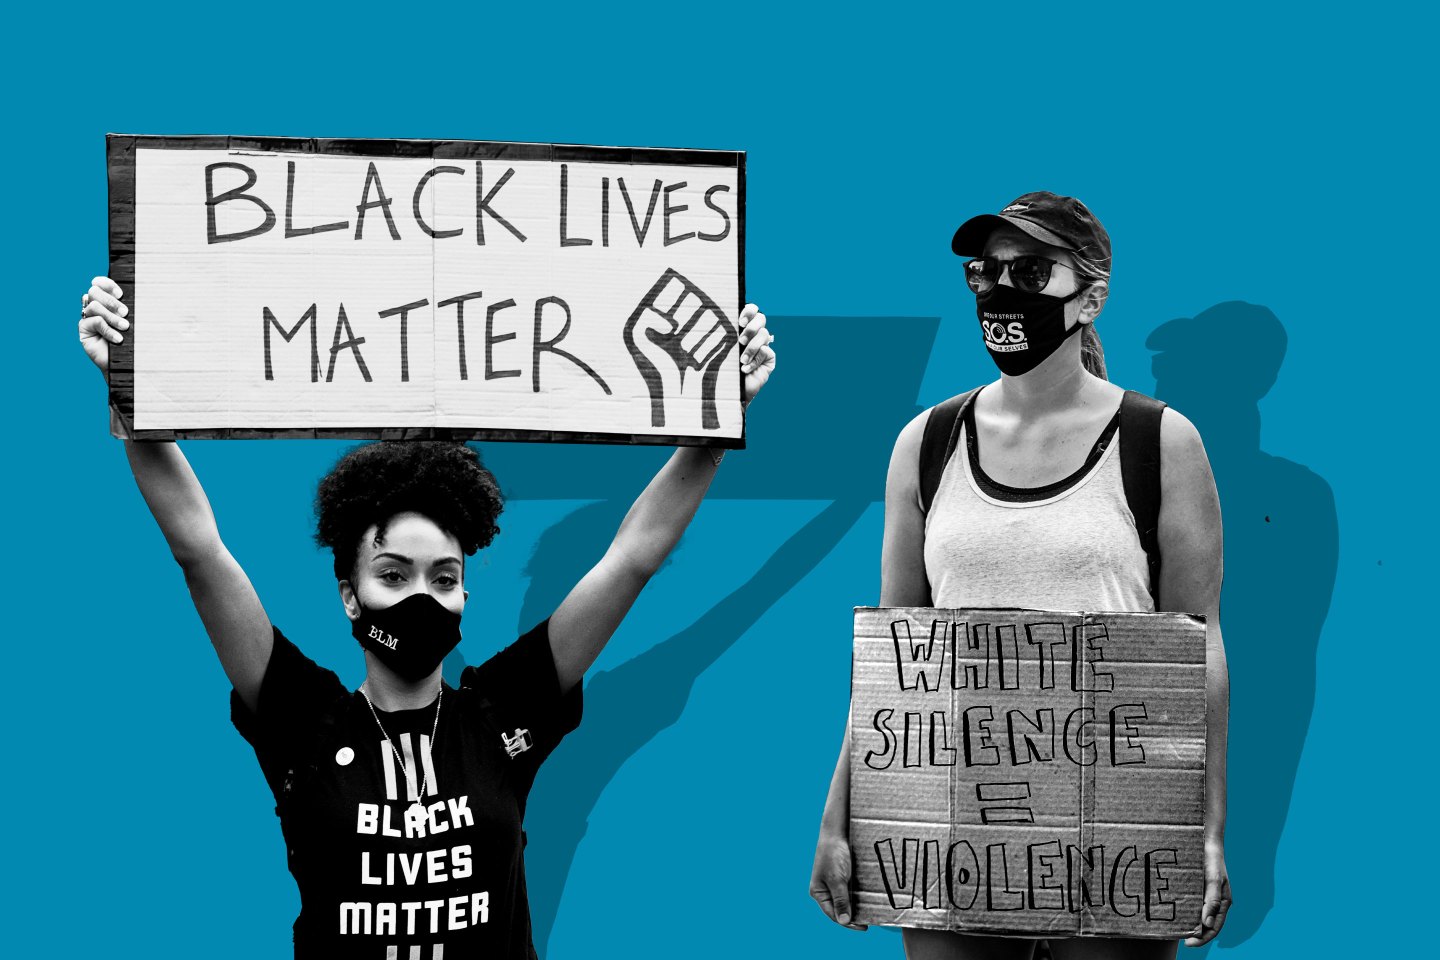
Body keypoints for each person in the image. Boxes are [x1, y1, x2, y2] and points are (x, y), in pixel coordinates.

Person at [77, 275, 775, 959]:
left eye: (445, 578)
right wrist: (129, 386)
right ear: (349, 595)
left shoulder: (504, 713)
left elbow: (631, 559)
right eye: (392, 575)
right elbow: (200, 552)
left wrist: (715, 423)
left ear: (465, 597)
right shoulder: (304, 721)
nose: (421, 597)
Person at [808, 193, 1230, 959]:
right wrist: (841, 815)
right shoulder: (926, 442)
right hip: (949, 823)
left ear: (1090, 297)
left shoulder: (1160, 441)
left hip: (1119, 823)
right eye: (985, 272)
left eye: (1030, 271)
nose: (1002, 292)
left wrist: (1201, 831)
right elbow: (896, 666)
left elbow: (1198, 651)